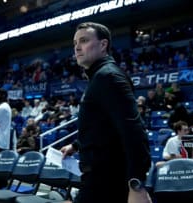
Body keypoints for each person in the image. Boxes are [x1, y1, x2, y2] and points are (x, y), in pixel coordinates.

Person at [60, 22, 152, 203]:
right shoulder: (99, 76)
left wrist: (136, 185)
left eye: (84, 41)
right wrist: (76, 146)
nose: (77, 47)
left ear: (103, 45)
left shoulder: (108, 76)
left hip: (106, 181)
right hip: (97, 178)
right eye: (75, 43)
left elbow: (133, 131)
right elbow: (102, 126)